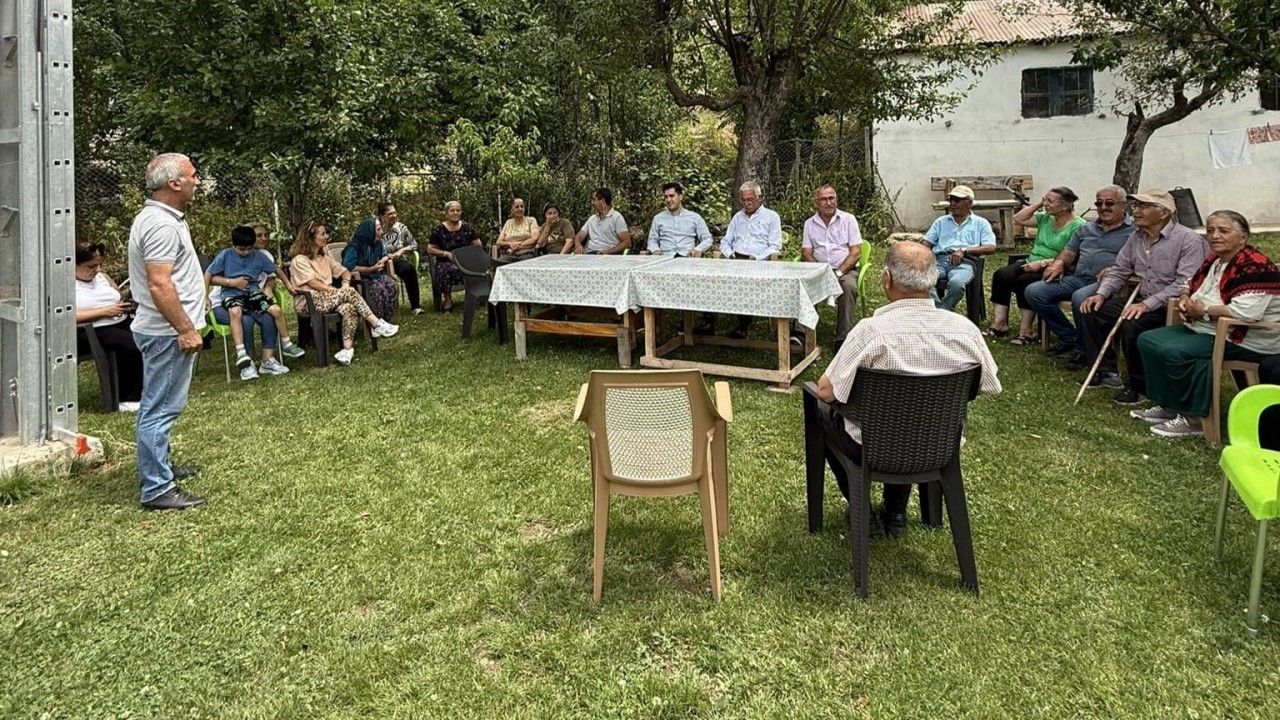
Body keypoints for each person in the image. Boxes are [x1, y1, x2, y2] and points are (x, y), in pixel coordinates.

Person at [812, 241, 1002, 536]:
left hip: (871, 446)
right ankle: (896, 512)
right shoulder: (965, 330)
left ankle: (861, 508)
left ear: (887, 279)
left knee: (819, 407)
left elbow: (827, 391)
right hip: (938, 443)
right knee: (907, 422)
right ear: (934, 279)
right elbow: (988, 383)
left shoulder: (869, 332)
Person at [1132, 211, 1280, 438]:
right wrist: (1184, 298)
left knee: (1177, 351)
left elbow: (1245, 313)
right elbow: (1188, 282)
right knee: (1149, 339)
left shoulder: (1256, 266)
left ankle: (1195, 420)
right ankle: (1170, 405)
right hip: (1207, 328)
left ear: (1243, 237)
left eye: (1223, 231)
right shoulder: (1215, 260)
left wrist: (1204, 311)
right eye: (1210, 231)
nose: (1215, 236)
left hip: (1245, 336)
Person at [128, 153, 207, 511]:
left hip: (165, 331)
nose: (197, 181)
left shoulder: (162, 218)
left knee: (160, 405)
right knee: (160, 409)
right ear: (174, 183)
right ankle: (158, 487)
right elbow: (159, 284)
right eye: (193, 175)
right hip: (166, 333)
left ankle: (161, 468)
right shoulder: (160, 224)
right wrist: (185, 328)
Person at [1079, 188, 1208, 404]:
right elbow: (1119, 270)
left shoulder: (1188, 240)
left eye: (1144, 206)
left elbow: (1184, 283)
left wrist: (1146, 305)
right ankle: (1106, 371)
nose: (1136, 211)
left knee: (1132, 322)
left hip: (1173, 306)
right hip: (1143, 300)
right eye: (1136, 206)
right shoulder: (1136, 237)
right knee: (1092, 309)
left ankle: (1139, 387)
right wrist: (1101, 294)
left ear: (1164, 212)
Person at [1024, 185, 1132, 366]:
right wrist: (1059, 263)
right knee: (1035, 292)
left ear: (1123, 205)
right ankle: (1071, 338)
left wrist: (1116, 270)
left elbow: (1140, 260)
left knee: (1080, 298)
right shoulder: (1087, 228)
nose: (1103, 207)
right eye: (1099, 203)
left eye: (1109, 203)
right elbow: (1069, 251)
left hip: (1107, 282)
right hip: (1079, 278)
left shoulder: (1134, 232)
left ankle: (1083, 350)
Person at [290, 221, 399, 365]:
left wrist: (345, 284)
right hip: (309, 302)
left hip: (328, 299)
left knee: (349, 308)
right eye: (323, 234)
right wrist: (337, 291)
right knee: (350, 293)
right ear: (310, 237)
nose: (326, 236)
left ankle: (346, 351)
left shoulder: (324, 258)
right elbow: (313, 283)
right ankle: (376, 324)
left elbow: (345, 272)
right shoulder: (299, 260)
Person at [206, 225, 305, 379]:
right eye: (242, 249)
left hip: (253, 294)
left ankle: (283, 347)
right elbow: (209, 274)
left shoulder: (260, 256)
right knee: (239, 315)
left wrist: (288, 285)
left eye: (249, 249)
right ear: (233, 244)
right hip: (231, 296)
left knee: (274, 311)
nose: (246, 252)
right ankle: (242, 355)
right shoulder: (225, 255)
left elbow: (275, 271)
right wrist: (207, 295)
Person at [990, 186, 1085, 344]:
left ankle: (1026, 331)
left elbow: (1073, 256)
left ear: (1064, 206)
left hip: (1055, 267)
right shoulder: (1046, 218)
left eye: (1050, 201)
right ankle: (1000, 324)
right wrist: (1039, 204)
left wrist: (1041, 264)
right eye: (1045, 199)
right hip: (1032, 260)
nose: (1046, 204)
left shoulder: (1079, 226)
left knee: (1026, 281)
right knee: (1001, 275)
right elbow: (1018, 219)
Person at [702, 181, 783, 339]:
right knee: (709, 277)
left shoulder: (772, 217)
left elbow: (775, 246)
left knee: (744, 280)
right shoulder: (737, 218)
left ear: (759, 198)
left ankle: (743, 324)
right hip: (735, 261)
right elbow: (726, 242)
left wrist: (756, 257)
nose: (747, 203)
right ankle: (709, 321)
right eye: (743, 200)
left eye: (750, 199)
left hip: (759, 263)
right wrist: (730, 254)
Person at [75, 242, 143, 412]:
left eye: (99, 265)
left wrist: (124, 305)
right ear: (74, 265)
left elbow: (117, 296)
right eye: (91, 266)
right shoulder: (65, 286)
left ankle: (151, 387)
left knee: (148, 335)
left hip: (119, 320)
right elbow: (67, 316)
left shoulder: (102, 278)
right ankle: (127, 398)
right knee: (131, 345)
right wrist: (104, 311)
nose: (97, 270)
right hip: (90, 330)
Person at [801, 184, 862, 348]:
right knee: (802, 286)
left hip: (844, 270)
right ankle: (800, 333)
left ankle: (843, 338)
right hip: (818, 270)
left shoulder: (848, 220)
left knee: (848, 287)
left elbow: (856, 252)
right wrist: (819, 271)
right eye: (823, 199)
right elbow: (806, 252)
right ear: (817, 203)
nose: (828, 203)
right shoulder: (809, 224)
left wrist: (839, 272)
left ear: (836, 200)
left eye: (831, 198)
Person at [923, 185, 997, 312]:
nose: (953, 203)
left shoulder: (981, 223)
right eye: (951, 200)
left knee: (956, 283)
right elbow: (926, 242)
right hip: (939, 260)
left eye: (957, 200)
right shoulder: (941, 222)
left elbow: (990, 247)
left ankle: (941, 311)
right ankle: (941, 310)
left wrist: (964, 251)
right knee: (923, 280)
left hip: (964, 262)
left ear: (969, 203)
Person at [426, 201, 483, 311]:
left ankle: (473, 297)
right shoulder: (438, 229)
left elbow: (478, 245)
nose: (455, 213)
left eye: (458, 210)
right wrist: (446, 254)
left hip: (464, 260)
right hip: (446, 261)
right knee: (444, 270)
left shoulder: (468, 228)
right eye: (452, 210)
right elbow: (430, 249)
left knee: (474, 268)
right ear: (446, 213)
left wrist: (468, 254)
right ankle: (448, 300)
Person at [342, 217, 399, 321]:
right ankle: (376, 321)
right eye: (378, 229)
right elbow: (349, 266)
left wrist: (382, 260)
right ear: (369, 231)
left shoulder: (377, 243)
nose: (381, 232)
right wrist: (371, 269)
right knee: (378, 288)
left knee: (391, 284)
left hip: (375, 275)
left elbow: (385, 255)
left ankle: (386, 319)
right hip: (360, 279)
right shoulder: (354, 246)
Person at [378, 202, 423, 315]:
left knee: (409, 269)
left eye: (394, 213)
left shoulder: (401, 228)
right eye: (390, 214)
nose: (393, 216)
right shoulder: (376, 229)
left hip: (397, 260)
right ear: (382, 216)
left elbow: (414, 245)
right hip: (379, 261)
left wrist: (401, 251)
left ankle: (415, 306)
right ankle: (384, 309)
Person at [646, 181, 713, 257]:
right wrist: (655, 250)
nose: (668, 200)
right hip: (665, 258)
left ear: (680, 197)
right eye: (666, 197)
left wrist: (698, 249)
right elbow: (652, 240)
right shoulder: (658, 218)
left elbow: (708, 239)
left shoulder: (695, 217)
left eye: (671, 196)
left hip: (688, 259)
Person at [573, 187, 630, 255]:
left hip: (608, 255)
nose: (592, 203)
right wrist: (578, 245)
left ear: (602, 201)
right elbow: (579, 236)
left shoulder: (616, 218)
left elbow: (627, 242)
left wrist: (608, 252)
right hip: (589, 254)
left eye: (594, 200)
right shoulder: (592, 219)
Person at [491, 198, 540, 262]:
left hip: (526, 253)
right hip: (509, 255)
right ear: (512, 210)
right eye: (517, 207)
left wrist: (517, 247)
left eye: (522, 206)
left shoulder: (531, 220)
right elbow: (499, 242)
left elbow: (535, 238)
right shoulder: (508, 223)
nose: (520, 209)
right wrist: (510, 244)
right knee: (498, 264)